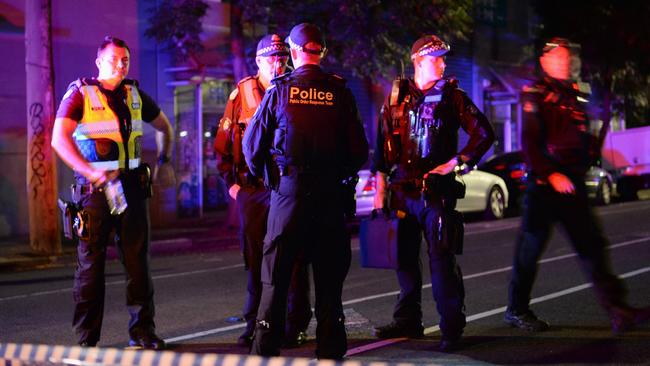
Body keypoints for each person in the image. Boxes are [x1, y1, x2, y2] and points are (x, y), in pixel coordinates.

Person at [505, 37, 650, 334]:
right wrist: (550, 173)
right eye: (556, 58)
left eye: (565, 58)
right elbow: (530, 142)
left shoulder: (575, 92)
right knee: (529, 252)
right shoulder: (536, 93)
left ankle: (617, 310)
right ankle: (517, 310)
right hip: (545, 185)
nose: (563, 63)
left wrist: (588, 157)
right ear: (544, 61)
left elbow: (581, 134)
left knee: (593, 246)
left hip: (571, 182)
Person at [243, 23, 368, 359]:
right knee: (329, 282)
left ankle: (265, 350)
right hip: (329, 198)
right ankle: (330, 351)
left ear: (294, 52)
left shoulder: (280, 89)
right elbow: (359, 152)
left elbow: (252, 146)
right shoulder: (339, 91)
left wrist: (273, 180)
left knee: (276, 279)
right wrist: (336, 175)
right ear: (321, 52)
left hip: (288, 196)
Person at [371, 35, 495, 352]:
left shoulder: (453, 96)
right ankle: (408, 321)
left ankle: (451, 328)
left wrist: (456, 162)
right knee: (404, 262)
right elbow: (381, 145)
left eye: (443, 57)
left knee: (442, 260)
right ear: (418, 61)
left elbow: (483, 133)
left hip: (436, 193)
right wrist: (380, 184)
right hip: (400, 193)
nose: (442, 63)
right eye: (437, 57)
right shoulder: (396, 96)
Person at [51, 36, 174, 349]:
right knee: (90, 268)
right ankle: (86, 341)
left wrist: (164, 160)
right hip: (94, 192)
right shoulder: (79, 95)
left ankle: (143, 332)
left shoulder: (135, 94)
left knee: (138, 264)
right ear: (98, 61)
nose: (121, 64)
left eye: (125, 60)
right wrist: (92, 172)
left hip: (131, 188)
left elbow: (164, 127)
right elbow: (59, 140)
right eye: (114, 59)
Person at [213, 34, 312, 347]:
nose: (277, 62)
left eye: (282, 57)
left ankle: (294, 324)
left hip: (287, 188)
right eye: (271, 58)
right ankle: (254, 323)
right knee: (256, 260)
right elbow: (221, 147)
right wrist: (233, 188)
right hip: (253, 191)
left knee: (295, 257)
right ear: (257, 61)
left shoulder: (295, 90)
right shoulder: (241, 95)